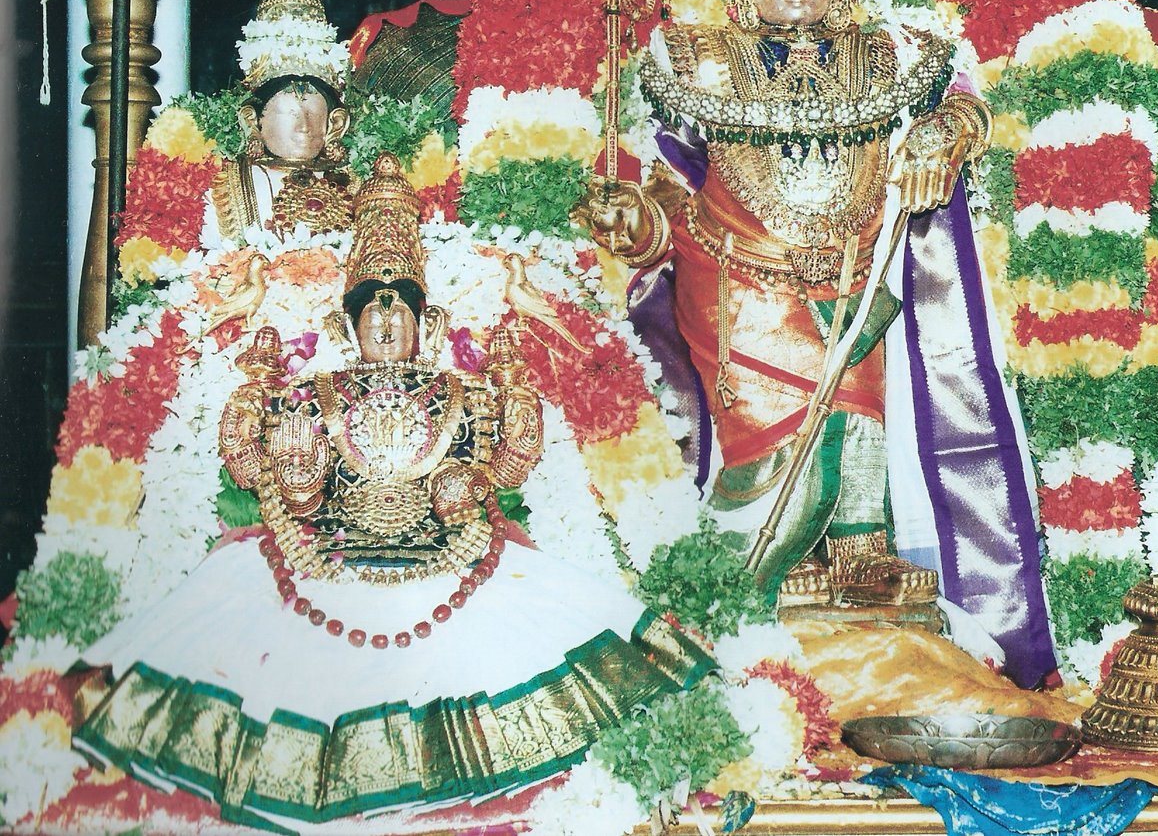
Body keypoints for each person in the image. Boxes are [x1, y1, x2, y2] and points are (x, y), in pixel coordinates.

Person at [582, 0, 1055, 688]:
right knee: (785, 462)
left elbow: (961, 98)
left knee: (864, 440)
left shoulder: (888, 50)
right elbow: (656, 185)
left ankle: (863, 598)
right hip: (743, 291)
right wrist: (630, 218)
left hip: (857, 286)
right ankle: (721, 628)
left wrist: (947, 136)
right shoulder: (693, 56)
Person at [74, 155, 712, 831]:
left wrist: (503, 405)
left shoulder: (463, 396)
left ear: (426, 323)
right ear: (344, 327)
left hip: (447, 572)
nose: (383, 314)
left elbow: (516, 459)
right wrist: (281, 447)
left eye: (398, 304)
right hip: (324, 573)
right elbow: (244, 461)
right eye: (369, 306)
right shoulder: (311, 398)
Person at [209, 0, 355, 240]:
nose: (304, 127)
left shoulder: (356, 184)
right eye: (289, 112)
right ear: (253, 120)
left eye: (314, 112)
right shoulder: (228, 186)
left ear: (335, 124)